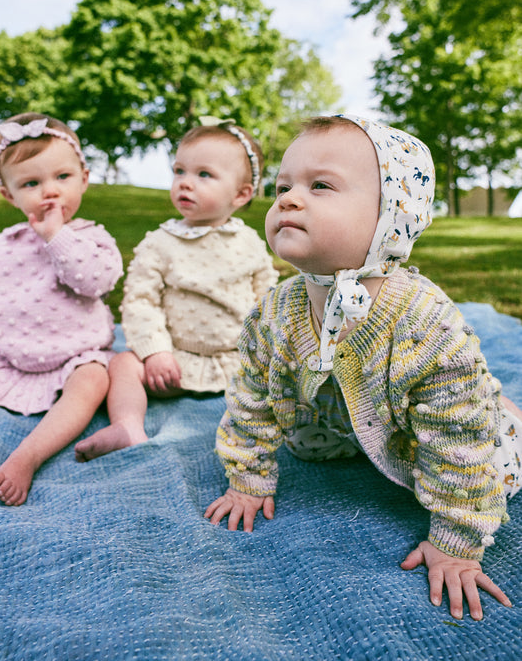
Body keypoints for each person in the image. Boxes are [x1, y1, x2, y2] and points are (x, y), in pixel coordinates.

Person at [205, 114, 522, 621]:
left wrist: (457, 541)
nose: (287, 198)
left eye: (321, 185)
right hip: (341, 423)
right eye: (282, 186)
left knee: (496, 447)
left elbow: (458, 438)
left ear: (390, 216)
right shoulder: (274, 311)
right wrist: (248, 476)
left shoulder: (425, 323)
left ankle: (502, 407)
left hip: (435, 429)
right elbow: (251, 397)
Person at [75, 117, 278, 462]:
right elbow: (140, 301)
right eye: (179, 171)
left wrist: (270, 348)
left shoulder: (249, 242)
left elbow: (268, 297)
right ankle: (127, 426)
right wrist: (156, 352)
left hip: (240, 362)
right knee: (123, 363)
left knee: (289, 378)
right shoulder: (160, 243)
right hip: (174, 363)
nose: (185, 183)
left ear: (242, 194)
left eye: (204, 175)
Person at [0, 112, 123, 506]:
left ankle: (27, 456)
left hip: (76, 358)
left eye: (61, 178)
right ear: (9, 194)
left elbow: (94, 281)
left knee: (94, 381)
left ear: (83, 177)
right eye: (31, 183)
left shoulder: (91, 238)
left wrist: (56, 237)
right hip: (13, 361)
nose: (49, 191)